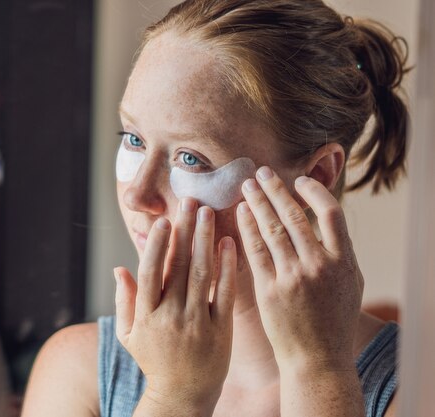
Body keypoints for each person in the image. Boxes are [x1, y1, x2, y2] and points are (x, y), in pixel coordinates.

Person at [21, 1, 407, 416]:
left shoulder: (414, 385)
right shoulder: (76, 371)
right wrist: (174, 397)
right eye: (134, 139)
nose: (137, 194)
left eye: (191, 158)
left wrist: (319, 371)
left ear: (314, 176)